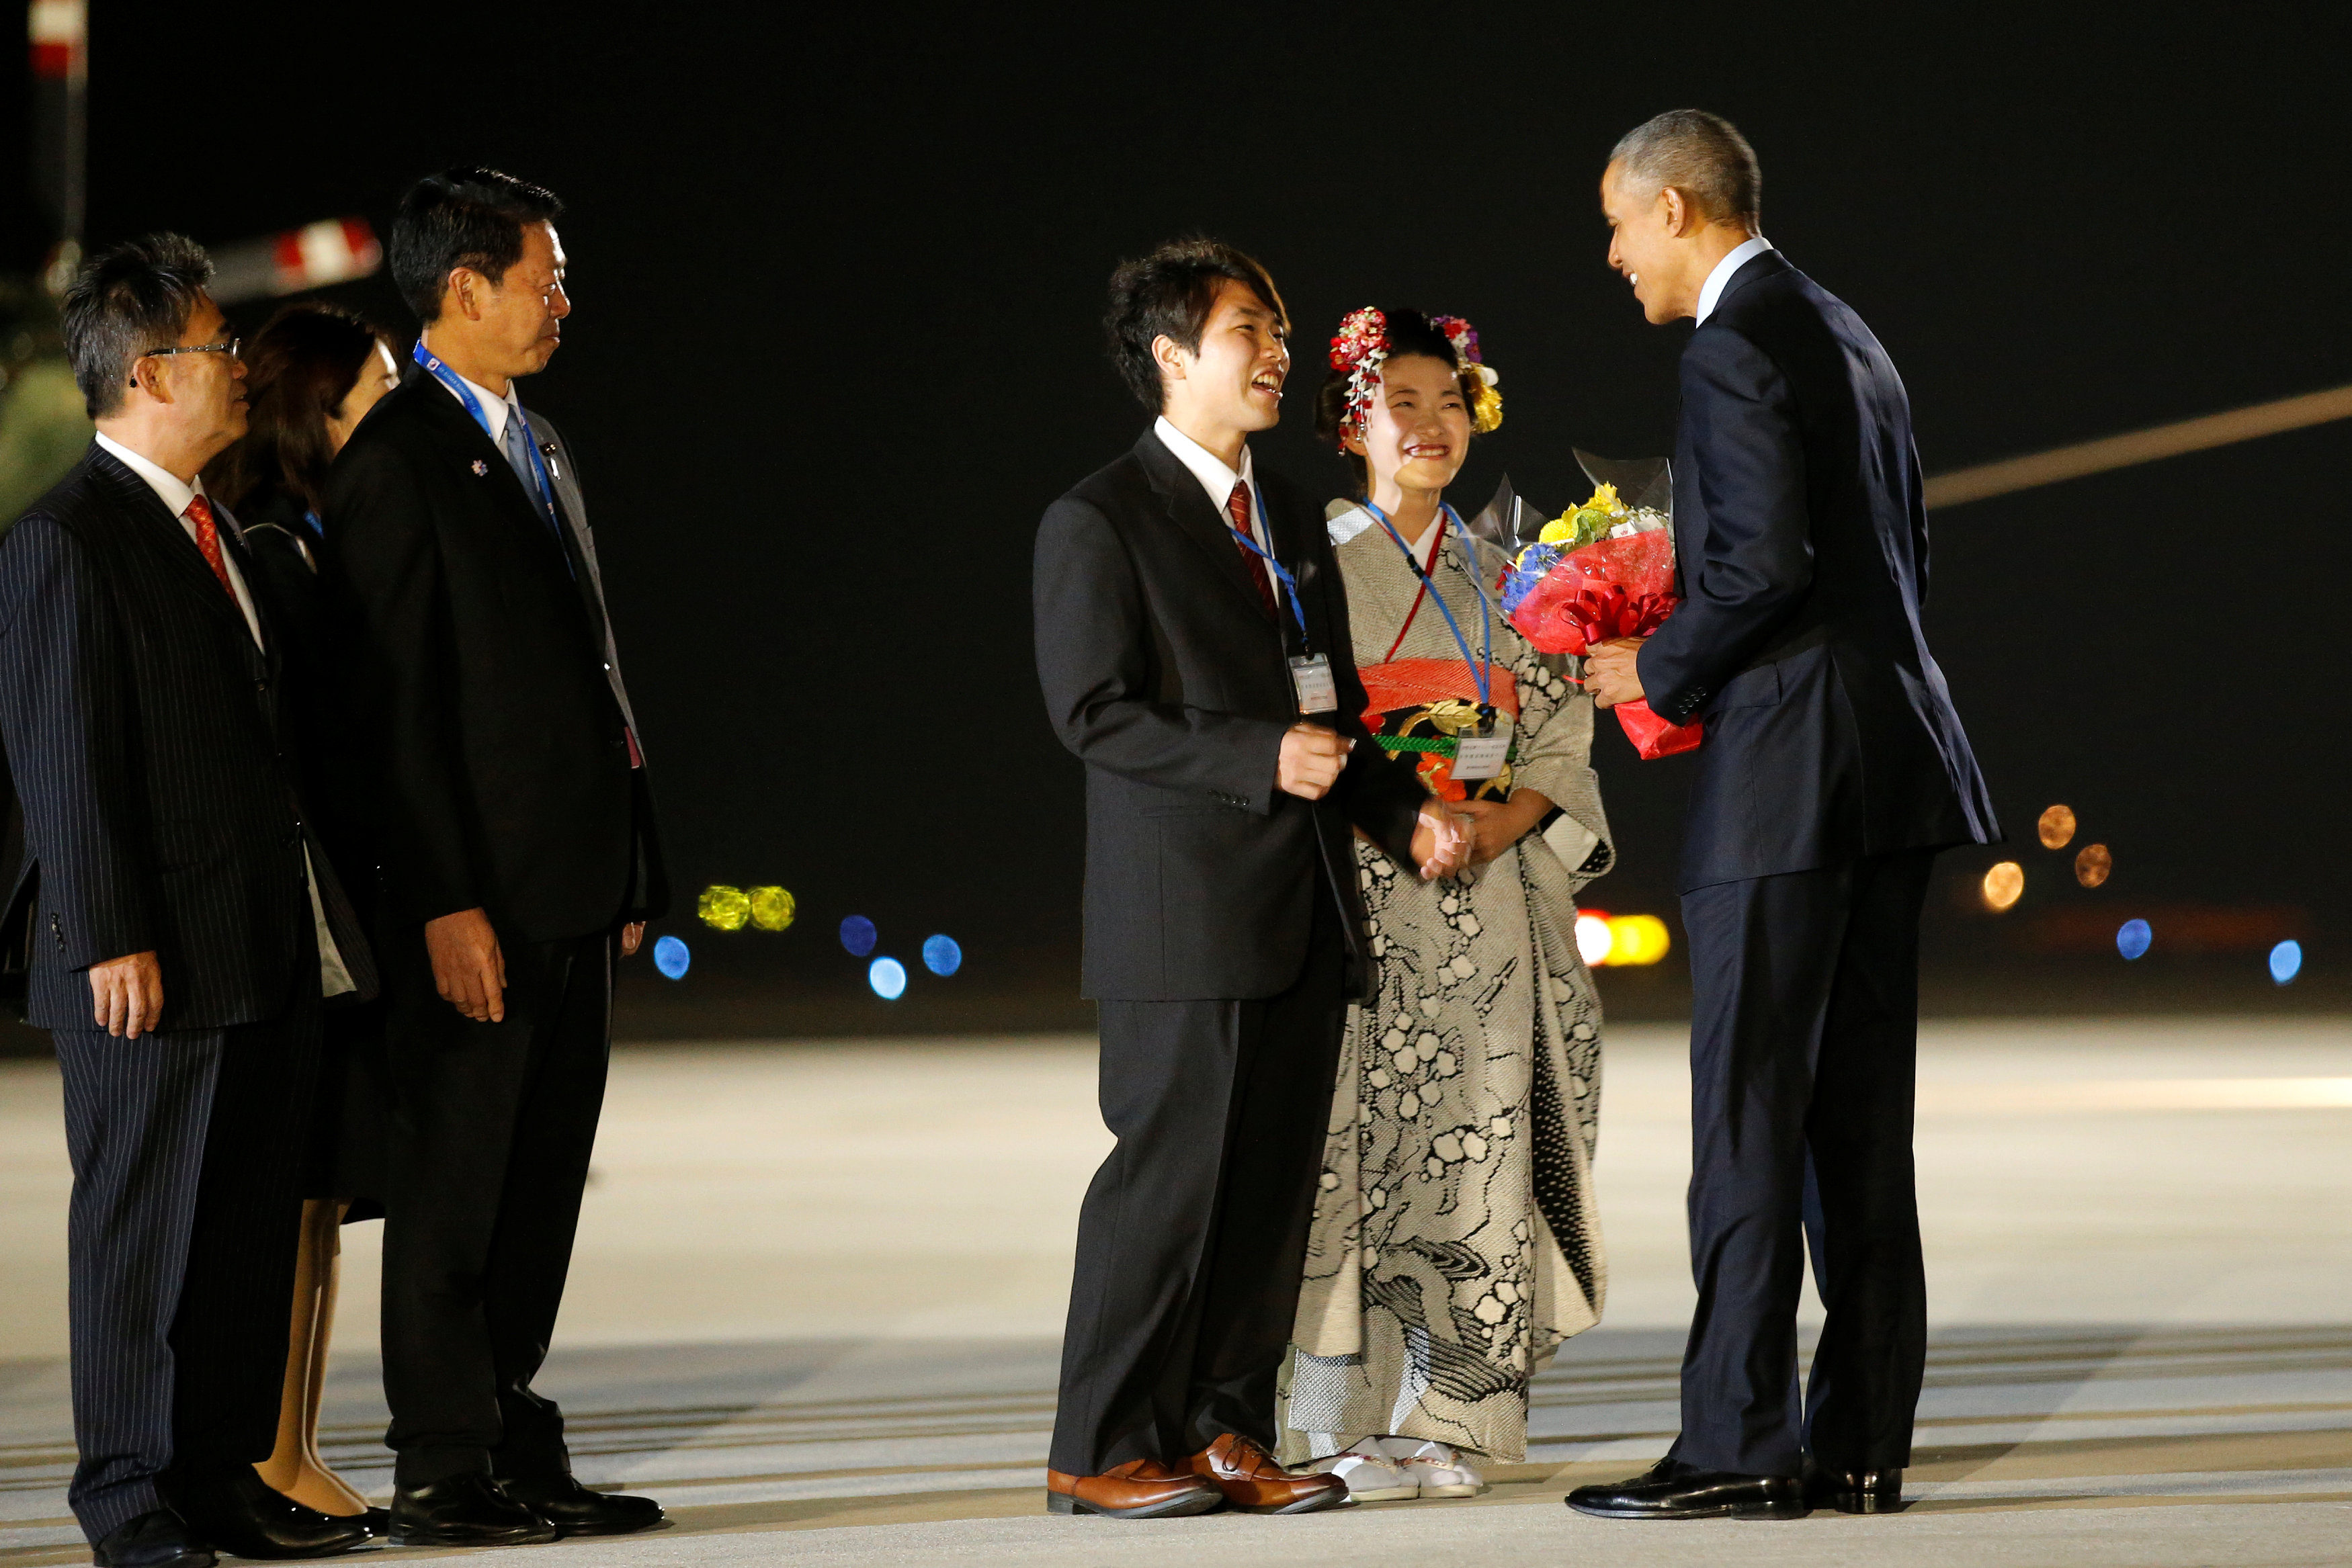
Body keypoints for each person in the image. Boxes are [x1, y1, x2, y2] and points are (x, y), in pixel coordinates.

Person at [1566, 111, 1999, 1522]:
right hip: (1894, 755)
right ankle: (1860, 1440)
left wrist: (1653, 660)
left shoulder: (1729, 344)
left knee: (1749, 1113)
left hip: (1790, 777)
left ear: (1680, 210)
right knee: (1858, 1126)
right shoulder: (1846, 331)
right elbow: (1901, 555)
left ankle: (1736, 1442)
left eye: (1621, 226)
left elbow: (1755, 571)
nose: (1614, 256)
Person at [1032, 238, 1472, 1521]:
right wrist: (1256, 755)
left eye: (1277, 328)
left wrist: (1408, 814)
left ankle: (1225, 1431)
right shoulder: (1099, 517)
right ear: (1171, 358)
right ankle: (1100, 1442)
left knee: (1269, 1198)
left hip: (1301, 912)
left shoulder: (1286, 516)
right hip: (1181, 920)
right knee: (1166, 1193)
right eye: (1247, 331)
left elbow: (1329, 712)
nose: (1277, 351)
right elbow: (1091, 710)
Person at [0, 235, 378, 1567]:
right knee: (140, 1238)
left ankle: (216, 1479)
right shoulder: (69, 537)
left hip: (258, 947)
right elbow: (62, 757)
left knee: (232, 1241)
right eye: (222, 351)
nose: (239, 372)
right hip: (147, 957)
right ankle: (129, 1499)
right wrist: (111, 932)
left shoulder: (217, 533)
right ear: (153, 371)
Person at [322, 168, 668, 1548]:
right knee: (459, 1187)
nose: (563, 301)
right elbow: (391, 716)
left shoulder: (537, 444)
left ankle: (515, 1434)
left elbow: (596, 678)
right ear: (462, 287)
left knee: (537, 1185)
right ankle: (440, 1465)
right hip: (476, 904)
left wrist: (636, 866)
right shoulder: (395, 462)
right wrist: (444, 900)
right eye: (546, 276)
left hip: (573, 892)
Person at [1282, 308, 1613, 1499]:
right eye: (1402, 402)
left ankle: (1458, 1417)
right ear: (1349, 421)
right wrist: (1405, 815)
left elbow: (1560, 736)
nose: (1431, 426)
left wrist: (1497, 819)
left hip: (1489, 908)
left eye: (1450, 403)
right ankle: (1341, 1422)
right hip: (1365, 895)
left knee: (1481, 1158)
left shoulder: (1516, 576)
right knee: (1350, 1154)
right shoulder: (1307, 564)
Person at [202, 302, 403, 1531]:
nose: (398, 410)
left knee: (321, 1202)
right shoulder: (276, 548)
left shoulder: (310, 539)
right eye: (377, 390)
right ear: (314, 413)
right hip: (306, 914)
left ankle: (296, 1444)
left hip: (336, 913)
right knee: (295, 1202)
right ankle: (271, 1450)